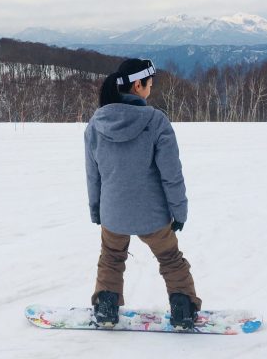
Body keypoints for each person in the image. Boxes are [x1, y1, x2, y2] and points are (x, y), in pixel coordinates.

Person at [84, 58, 201, 330]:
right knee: (171, 259)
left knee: (111, 258)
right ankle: (183, 308)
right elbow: (172, 175)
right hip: (153, 216)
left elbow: (93, 175)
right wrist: (179, 212)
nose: (151, 88)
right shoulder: (156, 122)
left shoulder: (96, 124)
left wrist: (96, 210)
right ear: (138, 85)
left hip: (113, 214)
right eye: (149, 84)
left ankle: (106, 307)